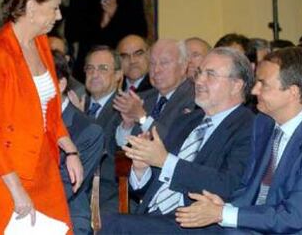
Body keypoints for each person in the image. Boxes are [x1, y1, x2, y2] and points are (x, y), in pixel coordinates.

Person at [175, 47, 302, 234]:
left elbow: (293, 216)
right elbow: (248, 189)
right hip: (263, 224)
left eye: (263, 84)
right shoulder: (263, 123)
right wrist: (226, 206)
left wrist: (223, 213)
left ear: (292, 92)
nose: (254, 90)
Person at [0, 0, 83, 234]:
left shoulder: (42, 42)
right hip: (3, 171)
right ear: (32, 7)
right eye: (54, 8)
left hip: (42, 164)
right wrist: (16, 190)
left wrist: (71, 151)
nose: (58, 15)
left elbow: (50, 111)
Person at [101, 47, 255, 234]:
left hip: (194, 223)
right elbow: (155, 182)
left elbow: (228, 184)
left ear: (237, 84)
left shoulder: (248, 127)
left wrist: (165, 161)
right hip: (153, 217)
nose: (199, 81)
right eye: (199, 73)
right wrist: (142, 170)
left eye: (210, 75)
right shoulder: (187, 120)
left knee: (113, 224)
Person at [65, 0, 148, 83]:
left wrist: (115, 16)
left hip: (123, 68)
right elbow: (71, 33)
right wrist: (102, 23)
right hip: (89, 68)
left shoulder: (133, 0)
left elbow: (141, 33)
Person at [53, 51, 104, 234]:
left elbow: (65, 187)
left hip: (65, 212)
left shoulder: (88, 130)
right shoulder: (24, 118)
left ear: (61, 84)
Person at [71, 46, 123, 214]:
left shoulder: (125, 109)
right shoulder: (75, 106)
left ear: (118, 75)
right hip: (69, 184)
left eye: (102, 68)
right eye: (90, 68)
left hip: (103, 190)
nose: (94, 74)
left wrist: (80, 122)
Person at [114, 39, 196, 146]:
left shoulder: (194, 98)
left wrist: (142, 117)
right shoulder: (142, 98)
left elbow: (176, 142)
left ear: (184, 66)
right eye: (152, 63)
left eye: (164, 63)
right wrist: (127, 125)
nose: (156, 70)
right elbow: (120, 147)